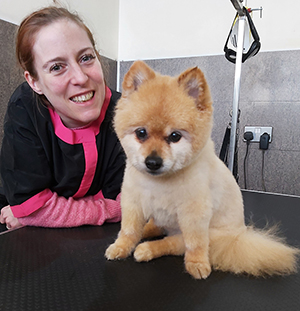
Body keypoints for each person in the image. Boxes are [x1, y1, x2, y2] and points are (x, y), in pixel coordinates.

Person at [0, 6, 125, 230]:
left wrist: (41, 214)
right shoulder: (24, 108)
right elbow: (30, 204)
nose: (80, 77)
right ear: (34, 82)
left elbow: (129, 203)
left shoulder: (124, 113)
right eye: (57, 67)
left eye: (86, 58)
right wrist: (33, 211)